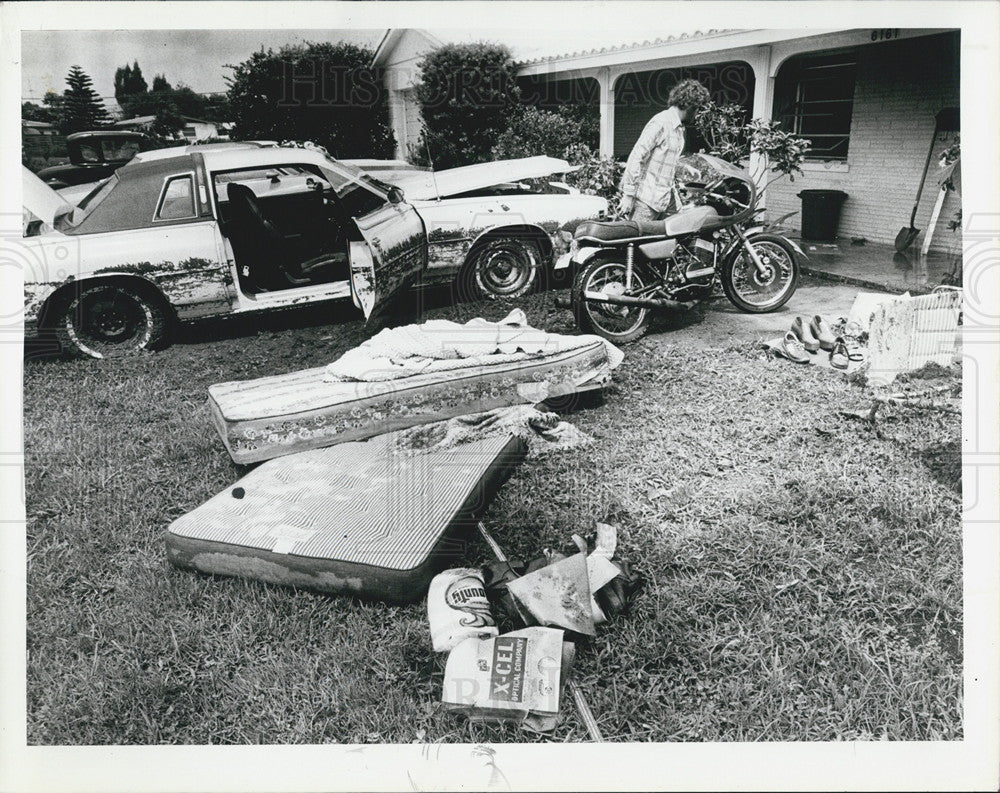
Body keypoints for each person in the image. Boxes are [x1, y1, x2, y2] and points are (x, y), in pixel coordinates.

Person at [619, 78, 712, 221]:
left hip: (666, 197)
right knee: (639, 242)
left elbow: (664, 158)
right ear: (689, 105)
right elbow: (636, 156)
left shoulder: (679, 128)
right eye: (697, 108)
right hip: (647, 201)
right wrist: (628, 195)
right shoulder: (660, 122)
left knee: (679, 233)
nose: (697, 113)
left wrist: (685, 167)